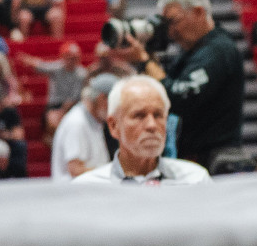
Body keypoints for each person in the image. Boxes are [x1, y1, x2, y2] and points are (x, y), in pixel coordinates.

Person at [115, 0, 247, 171]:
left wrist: (145, 61)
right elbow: (163, 88)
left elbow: (177, 97)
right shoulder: (192, 52)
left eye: (174, 21)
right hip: (195, 158)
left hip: (215, 162)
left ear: (198, 12)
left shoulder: (218, 50)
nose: (170, 31)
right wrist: (148, 58)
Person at [77, 75, 211, 184]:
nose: (151, 125)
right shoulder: (88, 189)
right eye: (139, 115)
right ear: (113, 126)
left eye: (158, 115)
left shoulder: (195, 180)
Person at [51, 72, 116, 181]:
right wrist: (112, 173)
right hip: (74, 194)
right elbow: (75, 170)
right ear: (102, 99)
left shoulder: (94, 121)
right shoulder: (77, 123)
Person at [18, 40, 87, 133]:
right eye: (68, 58)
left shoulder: (81, 74)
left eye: (74, 58)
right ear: (63, 57)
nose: (71, 61)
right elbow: (42, 66)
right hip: (55, 105)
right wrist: (27, 59)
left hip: (74, 106)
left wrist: (63, 111)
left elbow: (74, 97)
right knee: (53, 121)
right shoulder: (57, 68)